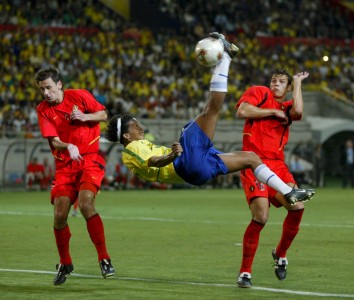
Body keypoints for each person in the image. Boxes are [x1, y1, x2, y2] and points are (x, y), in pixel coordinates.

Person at [104, 33, 314, 206]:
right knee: (209, 112)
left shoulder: (137, 146)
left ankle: (288, 192)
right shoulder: (131, 150)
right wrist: (171, 156)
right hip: (183, 162)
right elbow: (153, 162)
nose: (139, 125)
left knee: (251, 158)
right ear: (125, 135)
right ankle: (226, 58)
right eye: (134, 124)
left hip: (196, 172)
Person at [34, 66, 114, 285]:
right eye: (42, 89)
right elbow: (53, 141)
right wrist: (68, 146)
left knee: (86, 204)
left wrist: (85, 116)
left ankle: (104, 258)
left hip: (89, 160)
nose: (45, 93)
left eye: (48, 87)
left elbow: (104, 114)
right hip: (64, 166)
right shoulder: (42, 109)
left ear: (59, 84)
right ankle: (65, 262)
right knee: (60, 215)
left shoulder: (79, 95)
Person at [235, 67, 310, 288]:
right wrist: (271, 112)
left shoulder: (286, 107)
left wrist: (297, 83)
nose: (275, 84)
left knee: (298, 207)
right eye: (273, 80)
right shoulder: (260, 93)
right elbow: (242, 111)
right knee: (261, 217)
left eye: (281, 82)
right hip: (253, 162)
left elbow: (297, 112)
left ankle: (280, 253)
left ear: (287, 88)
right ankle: (245, 273)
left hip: (278, 166)